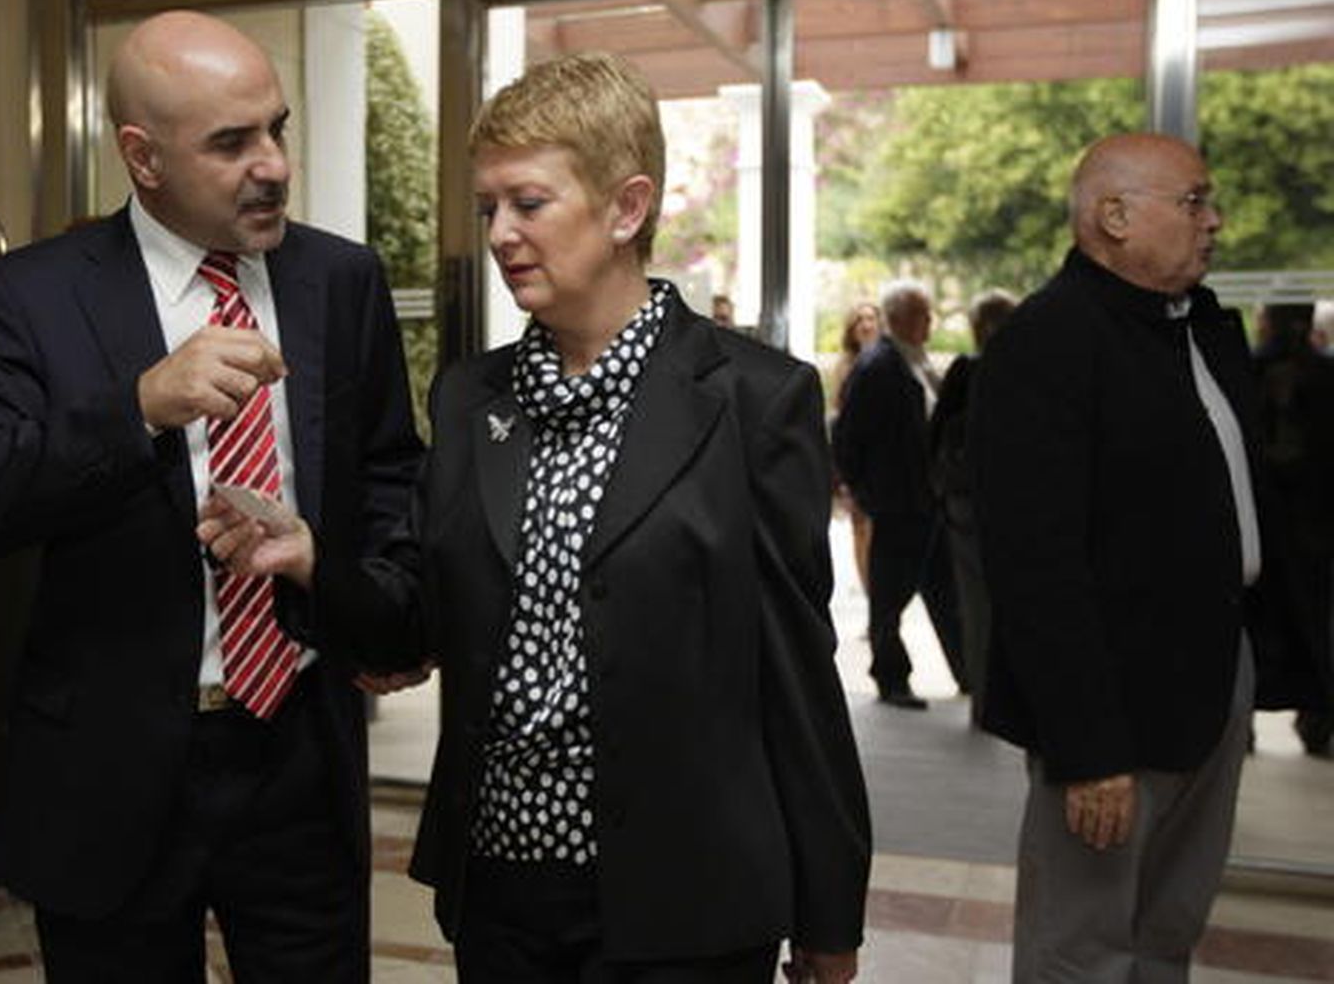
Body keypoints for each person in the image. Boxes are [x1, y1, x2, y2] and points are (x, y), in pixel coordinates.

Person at [203, 51, 870, 984]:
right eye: (488, 210)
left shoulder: (754, 401)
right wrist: (313, 558)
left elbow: (797, 677)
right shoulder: (474, 398)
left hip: (691, 901)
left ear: (626, 208)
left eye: (529, 203)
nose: (502, 234)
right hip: (504, 896)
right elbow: (418, 621)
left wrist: (830, 914)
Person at [0, 10, 424, 982]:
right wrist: (138, 405)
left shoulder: (340, 279)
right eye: (231, 143)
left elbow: (392, 474)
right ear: (141, 158)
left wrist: (370, 601)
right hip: (109, 764)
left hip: (297, 751)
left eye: (274, 128)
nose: (271, 163)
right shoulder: (33, 295)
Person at [971, 133, 1320, 982]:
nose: (1217, 222)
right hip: (1109, 698)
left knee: (1169, 925)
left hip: (1212, 673)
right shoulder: (1047, 344)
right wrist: (1089, 748)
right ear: (1114, 217)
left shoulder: (1196, 329)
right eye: (1195, 202)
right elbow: (1035, 567)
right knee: (1082, 944)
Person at [832, 280, 966, 708]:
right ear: (903, 318)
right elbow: (849, 437)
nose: (930, 322)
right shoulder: (879, 367)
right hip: (900, 502)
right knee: (890, 597)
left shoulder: (913, 362)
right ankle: (891, 678)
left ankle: (969, 674)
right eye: (923, 314)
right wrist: (868, 494)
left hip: (926, 501)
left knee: (944, 592)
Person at [928, 289, 1016, 725]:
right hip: (1014, 507)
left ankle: (986, 700)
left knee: (978, 606)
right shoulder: (1031, 372)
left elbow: (935, 434)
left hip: (968, 508)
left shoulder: (967, 372)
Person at [1252, 304, 1334, 756]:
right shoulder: (1322, 376)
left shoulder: (1249, 369)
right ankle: (1317, 716)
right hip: (1306, 528)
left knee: (1265, 624)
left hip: (1279, 526)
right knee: (1310, 626)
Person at [829, 302, 881, 595]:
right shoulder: (845, 366)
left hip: (882, 460)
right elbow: (839, 416)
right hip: (854, 459)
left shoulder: (891, 360)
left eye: (871, 318)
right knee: (860, 530)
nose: (865, 324)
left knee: (876, 534)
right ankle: (872, 601)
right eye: (859, 319)